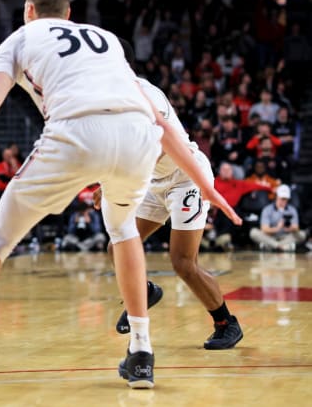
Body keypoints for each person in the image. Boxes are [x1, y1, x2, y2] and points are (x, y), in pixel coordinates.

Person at [0, 0, 241, 399]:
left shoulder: (20, 39)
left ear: (28, 10)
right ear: (70, 12)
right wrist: (205, 184)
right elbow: (156, 119)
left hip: (77, 132)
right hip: (138, 139)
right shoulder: (107, 39)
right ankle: (141, 353)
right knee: (123, 231)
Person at [94, 38, 243, 351]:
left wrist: (114, 182)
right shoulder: (108, 97)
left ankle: (226, 323)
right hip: (153, 179)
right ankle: (144, 291)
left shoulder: (145, 94)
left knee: (182, 262)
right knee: (117, 244)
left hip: (185, 177)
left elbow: (156, 146)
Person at [249, 184, 307, 251]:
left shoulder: (292, 210)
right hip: (270, 236)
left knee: (302, 234)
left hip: (286, 237)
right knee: (253, 232)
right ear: (277, 196)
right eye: (282, 198)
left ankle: (270, 246)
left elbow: (296, 228)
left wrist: (290, 228)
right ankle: (282, 247)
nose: (283, 201)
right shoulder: (267, 209)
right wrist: (277, 228)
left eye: (286, 199)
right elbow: (264, 229)